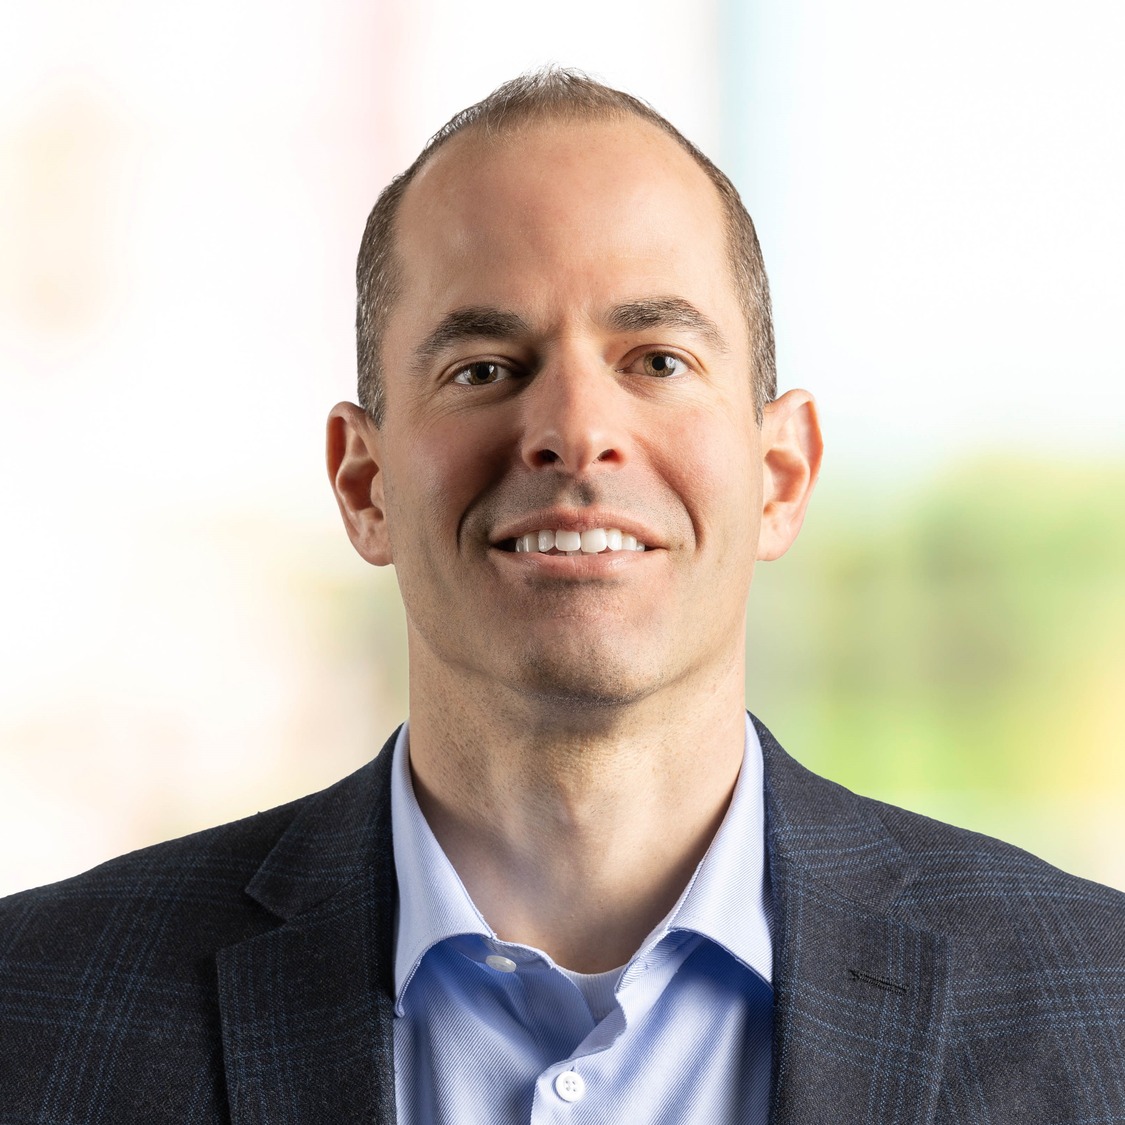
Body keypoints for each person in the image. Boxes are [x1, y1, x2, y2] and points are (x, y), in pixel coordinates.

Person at [1, 68, 1122, 1125]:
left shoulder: (1100, 1007)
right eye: (484, 368)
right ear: (363, 483)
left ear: (780, 475)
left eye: (657, 360)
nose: (576, 431)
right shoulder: (30, 1014)